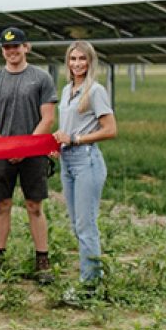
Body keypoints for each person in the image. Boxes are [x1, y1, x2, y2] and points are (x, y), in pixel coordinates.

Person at [0, 27, 58, 285]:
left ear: (27, 48)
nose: (12, 51)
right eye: (7, 47)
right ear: (3, 51)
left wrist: (25, 147)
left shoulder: (41, 78)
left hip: (33, 154)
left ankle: (42, 260)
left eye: (17, 46)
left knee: (35, 206)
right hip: (2, 154)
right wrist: (4, 147)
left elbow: (48, 117)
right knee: (2, 205)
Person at [52, 41, 116, 284]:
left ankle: (89, 284)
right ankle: (90, 276)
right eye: (72, 59)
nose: (77, 64)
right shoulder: (68, 90)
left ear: (90, 62)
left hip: (86, 160)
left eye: (82, 59)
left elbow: (110, 129)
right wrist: (60, 141)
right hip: (68, 160)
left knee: (86, 224)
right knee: (76, 224)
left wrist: (76, 139)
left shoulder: (95, 91)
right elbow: (68, 126)